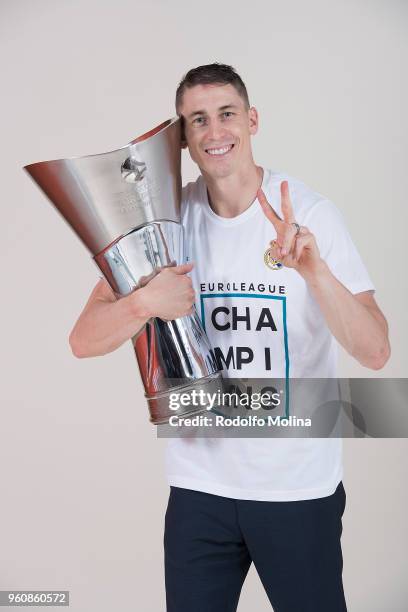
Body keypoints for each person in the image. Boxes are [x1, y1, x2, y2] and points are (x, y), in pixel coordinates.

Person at [69, 63, 390, 611]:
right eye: (198, 120)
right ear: (185, 139)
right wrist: (145, 301)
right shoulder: (166, 223)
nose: (215, 132)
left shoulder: (309, 215)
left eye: (226, 114)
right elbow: (84, 339)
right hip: (199, 492)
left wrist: (314, 272)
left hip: (295, 489)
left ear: (252, 120)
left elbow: (376, 351)